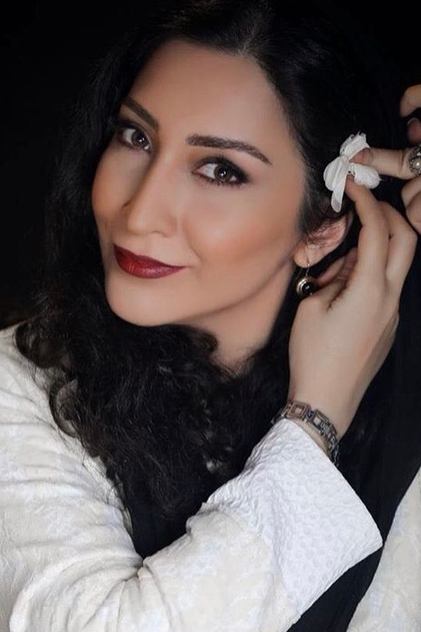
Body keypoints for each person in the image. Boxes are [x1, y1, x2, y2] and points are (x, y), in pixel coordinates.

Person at [0, 1, 420, 630]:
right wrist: (315, 421)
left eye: (220, 170)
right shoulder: (21, 386)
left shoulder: (404, 406)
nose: (140, 212)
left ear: (322, 226)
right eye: (136, 137)